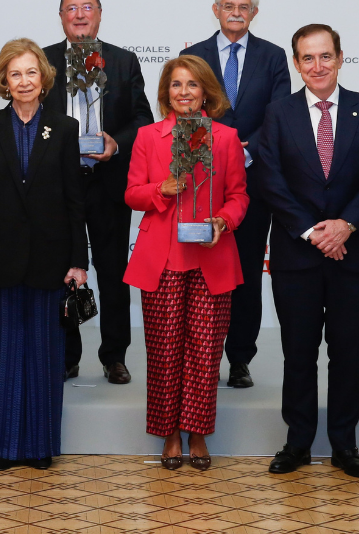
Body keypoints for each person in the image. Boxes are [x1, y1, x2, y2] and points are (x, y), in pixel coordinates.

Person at [257, 24, 359, 479]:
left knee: (346, 352)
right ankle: (296, 444)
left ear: (339, 57)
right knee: (298, 353)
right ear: (296, 63)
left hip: (354, 254)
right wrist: (313, 231)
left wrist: (345, 226)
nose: (317, 66)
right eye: (307, 58)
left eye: (325, 56)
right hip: (298, 255)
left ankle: (345, 445)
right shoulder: (278, 113)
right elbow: (270, 180)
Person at [0, 38, 88, 471]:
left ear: (44, 78)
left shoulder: (65, 128)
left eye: (31, 72)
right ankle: (0, 445)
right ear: (4, 81)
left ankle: (38, 446)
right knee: (0, 354)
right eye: (15, 74)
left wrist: (78, 261)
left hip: (51, 261)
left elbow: (75, 201)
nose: (24, 81)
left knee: (44, 356)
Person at [123, 55, 249, 471]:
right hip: (161, 261)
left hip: (211, 259)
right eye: (176, 85)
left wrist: (224, 220)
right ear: (166, 93)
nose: (184, 92)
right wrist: (161, 188)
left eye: (192, 85)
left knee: (205, 351)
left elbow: (239, 197)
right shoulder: (147, 136)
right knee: (164, 352)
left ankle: (197, 432)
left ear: (206, 92)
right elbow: (132, 194)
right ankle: (170, 433)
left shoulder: (227, 138)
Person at [179, 0, 291, 389]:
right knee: (200, 271)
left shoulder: (274, 57)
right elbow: (185, 111)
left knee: (244, 272)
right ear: (216, 10)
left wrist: (246, 150)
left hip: (255, 180)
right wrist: (219, 148)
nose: (236, 12)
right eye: (229, 5)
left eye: (244, 7)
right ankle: (196, 355)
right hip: (200, 181)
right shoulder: (192, 57)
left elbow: (279, 114)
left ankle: (240, 358)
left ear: (254, 13)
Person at [42, 0, 153, 384]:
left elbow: (143, 119)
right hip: (59, 186)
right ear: (61, 17)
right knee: (64, 271)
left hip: (108, 182)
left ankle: (114, 356)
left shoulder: (123, 61)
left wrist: (115, 142)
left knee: (112, 271)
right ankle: (68, 355)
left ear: (100, 14)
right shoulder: (43, 61)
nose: (79, 14)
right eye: (70, 8)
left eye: (87, 7)